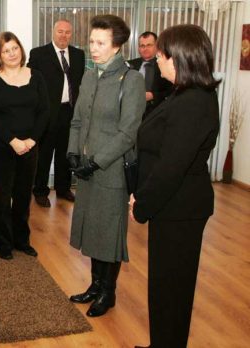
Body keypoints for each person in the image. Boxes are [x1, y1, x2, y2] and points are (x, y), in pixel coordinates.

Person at [131, 24, 220, 348]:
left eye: (163, 53)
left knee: (172, 292)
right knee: (164, 290)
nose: (157, 58)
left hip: (179, 209)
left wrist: (141, 205)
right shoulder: (182, 94)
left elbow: (172, 167)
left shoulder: (193, 102)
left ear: (180, 57)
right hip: (170, 207)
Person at [66, 15, 145, 317]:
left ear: (117, 46)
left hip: (110, 171)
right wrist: (74, 153)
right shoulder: (88, 75)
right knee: (91, 229)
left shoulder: (132, 79)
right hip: (86, 168)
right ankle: (95, 285)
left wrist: (97, 162)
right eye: (91, 42)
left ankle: (108, 293)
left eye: (101, 43)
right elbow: (77, 119)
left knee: (108, 232)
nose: (93, 48)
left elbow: (128, 133)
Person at [0, 32, 49, 260]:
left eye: (15, 48)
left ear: (21, 49)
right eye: (6, 51)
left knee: (22, 197)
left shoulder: (36, 76)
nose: (12, 54)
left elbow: (44, 112)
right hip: (1, 148)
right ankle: (3, 244)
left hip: (30, 147)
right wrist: (13, 141)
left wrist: (31, 140)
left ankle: (22, 240)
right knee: (1, 197)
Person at [28, 19, 85, 208]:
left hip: (69, 111)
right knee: (44, 153)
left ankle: (63, 188)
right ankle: (40, 191)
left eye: (67, 32)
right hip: (47, 113)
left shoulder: (78, 55)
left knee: (65, 152)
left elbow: (79, 84)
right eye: (60, 31)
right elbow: (31, 83)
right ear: (53, 32)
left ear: (72, 34)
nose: (63, 35)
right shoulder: (38, 54)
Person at [128, 31, 173, 119]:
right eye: (142, 46)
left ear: (156, 46)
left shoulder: (165, 66)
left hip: (156, 113)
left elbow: (172, 90)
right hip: (131, 112)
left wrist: (153, 96)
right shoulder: (129, 65)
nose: (145, 49)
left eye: (149, 45)